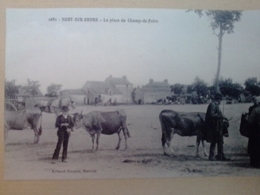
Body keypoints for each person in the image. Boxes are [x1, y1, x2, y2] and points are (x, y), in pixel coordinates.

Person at [205, 93, 230, 161]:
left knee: (220, 142)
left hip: (219, 126)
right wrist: (221, 116)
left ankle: (220, 156)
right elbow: (211, 115)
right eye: (220, 100)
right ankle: (211, 156)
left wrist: (223, 118)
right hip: (214, 127)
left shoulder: (215, 105)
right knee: (214, 141)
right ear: (218, 99)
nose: (220, 101)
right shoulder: (212, 105)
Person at [248, 96, 260, 168]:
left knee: (255, 145)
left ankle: (255, 162)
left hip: (256, 129)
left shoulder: (255, 110)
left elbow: (250, 121)